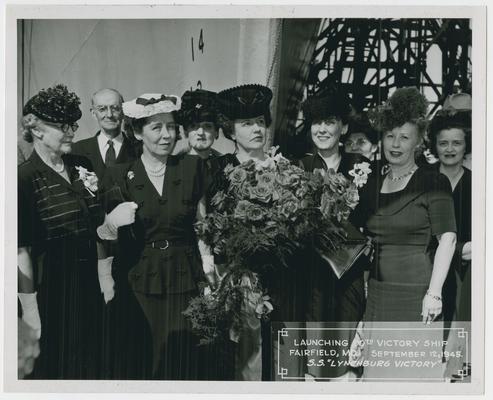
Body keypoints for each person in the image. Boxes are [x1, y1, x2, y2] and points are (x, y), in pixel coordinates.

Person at [96, 93, 209, 380]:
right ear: (137, 132)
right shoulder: (118, 174)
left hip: (185, 277)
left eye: (171, 127)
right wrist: (111, 223)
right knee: (145, 358)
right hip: (139, 280)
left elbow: (203, 224)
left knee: (184, 359)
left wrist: (208, 268)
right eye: (156, 128)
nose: (166, 135)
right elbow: (100, 234)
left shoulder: (192, 167)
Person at [361, 87, 457, 380]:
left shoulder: (433, 180)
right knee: (378, 376)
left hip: (417, 295)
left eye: (404, 137)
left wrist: (435, 294)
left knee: (411, 377)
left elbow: (448, 239)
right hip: (377, 293)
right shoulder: (371, 177)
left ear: (418, 141)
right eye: (390, 135)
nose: (395, 143)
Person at [18, 84, 106, 378]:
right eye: (62, 126)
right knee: (57, 367)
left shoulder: (82, 165)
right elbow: (21, 249)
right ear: (37, 129)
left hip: (89, 285)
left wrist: (104, 276)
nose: (71, 132)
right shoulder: (24, 178)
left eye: (73, 125)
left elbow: (98, 227)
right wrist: (30, 310)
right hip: (51, 288)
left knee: (91, 361)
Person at [428, 92, 472, 378]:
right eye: (443, 143)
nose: (450, 149)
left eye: (457, 143)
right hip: (429, 263)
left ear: (466, 145)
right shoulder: (424, 179)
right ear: (434, 146)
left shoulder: (477, 181)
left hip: (467, 268)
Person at [72, 88, 140, 180]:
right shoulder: (77, 150)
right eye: (102, 109)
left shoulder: (140, 149)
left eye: (115, 108)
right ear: (93, 113)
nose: (109, 115)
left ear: (123, 111)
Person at [178, 89, 222, 162]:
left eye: (207, 126)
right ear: (186, 132)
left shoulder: (226, 165)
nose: (201, 132)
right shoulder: (172, 165)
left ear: (216, 132)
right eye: (193, 126)